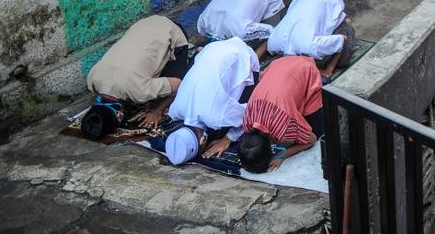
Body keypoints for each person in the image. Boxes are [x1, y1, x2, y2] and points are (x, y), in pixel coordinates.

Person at [155, 37, 260, 165]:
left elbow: (250, 113)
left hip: (242, 54)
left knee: (250, 99)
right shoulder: (175, 111)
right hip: (211, 48)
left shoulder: (216, 118)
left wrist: (227, 139)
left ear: (203, 141)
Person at [83, 15, 189, 139]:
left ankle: (186, 62)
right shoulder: (92, 80)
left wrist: (158, 111)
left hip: (173, 31)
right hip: (144, 24)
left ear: (119, 115)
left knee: (177, 82)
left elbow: (177, 84)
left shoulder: (139, 91)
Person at [237, 56, 323, 173]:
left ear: (271, 149)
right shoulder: (247, 122)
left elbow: (311, 140)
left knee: (317, 132)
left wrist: (283, 154)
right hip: (278, 64)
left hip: (305, 69)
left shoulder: (284, 127)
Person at [266, 0, 354, 81]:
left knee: (342, 61)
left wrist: (328, 70)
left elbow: (343, 39)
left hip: (327, 1)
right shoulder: (273, 44)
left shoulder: (311, 46)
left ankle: (345, 24)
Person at [197, 0, 285, 58]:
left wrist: (255, 57)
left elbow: (273, 32)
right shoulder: (204, 22)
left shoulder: (241, 30)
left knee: (274, 36)